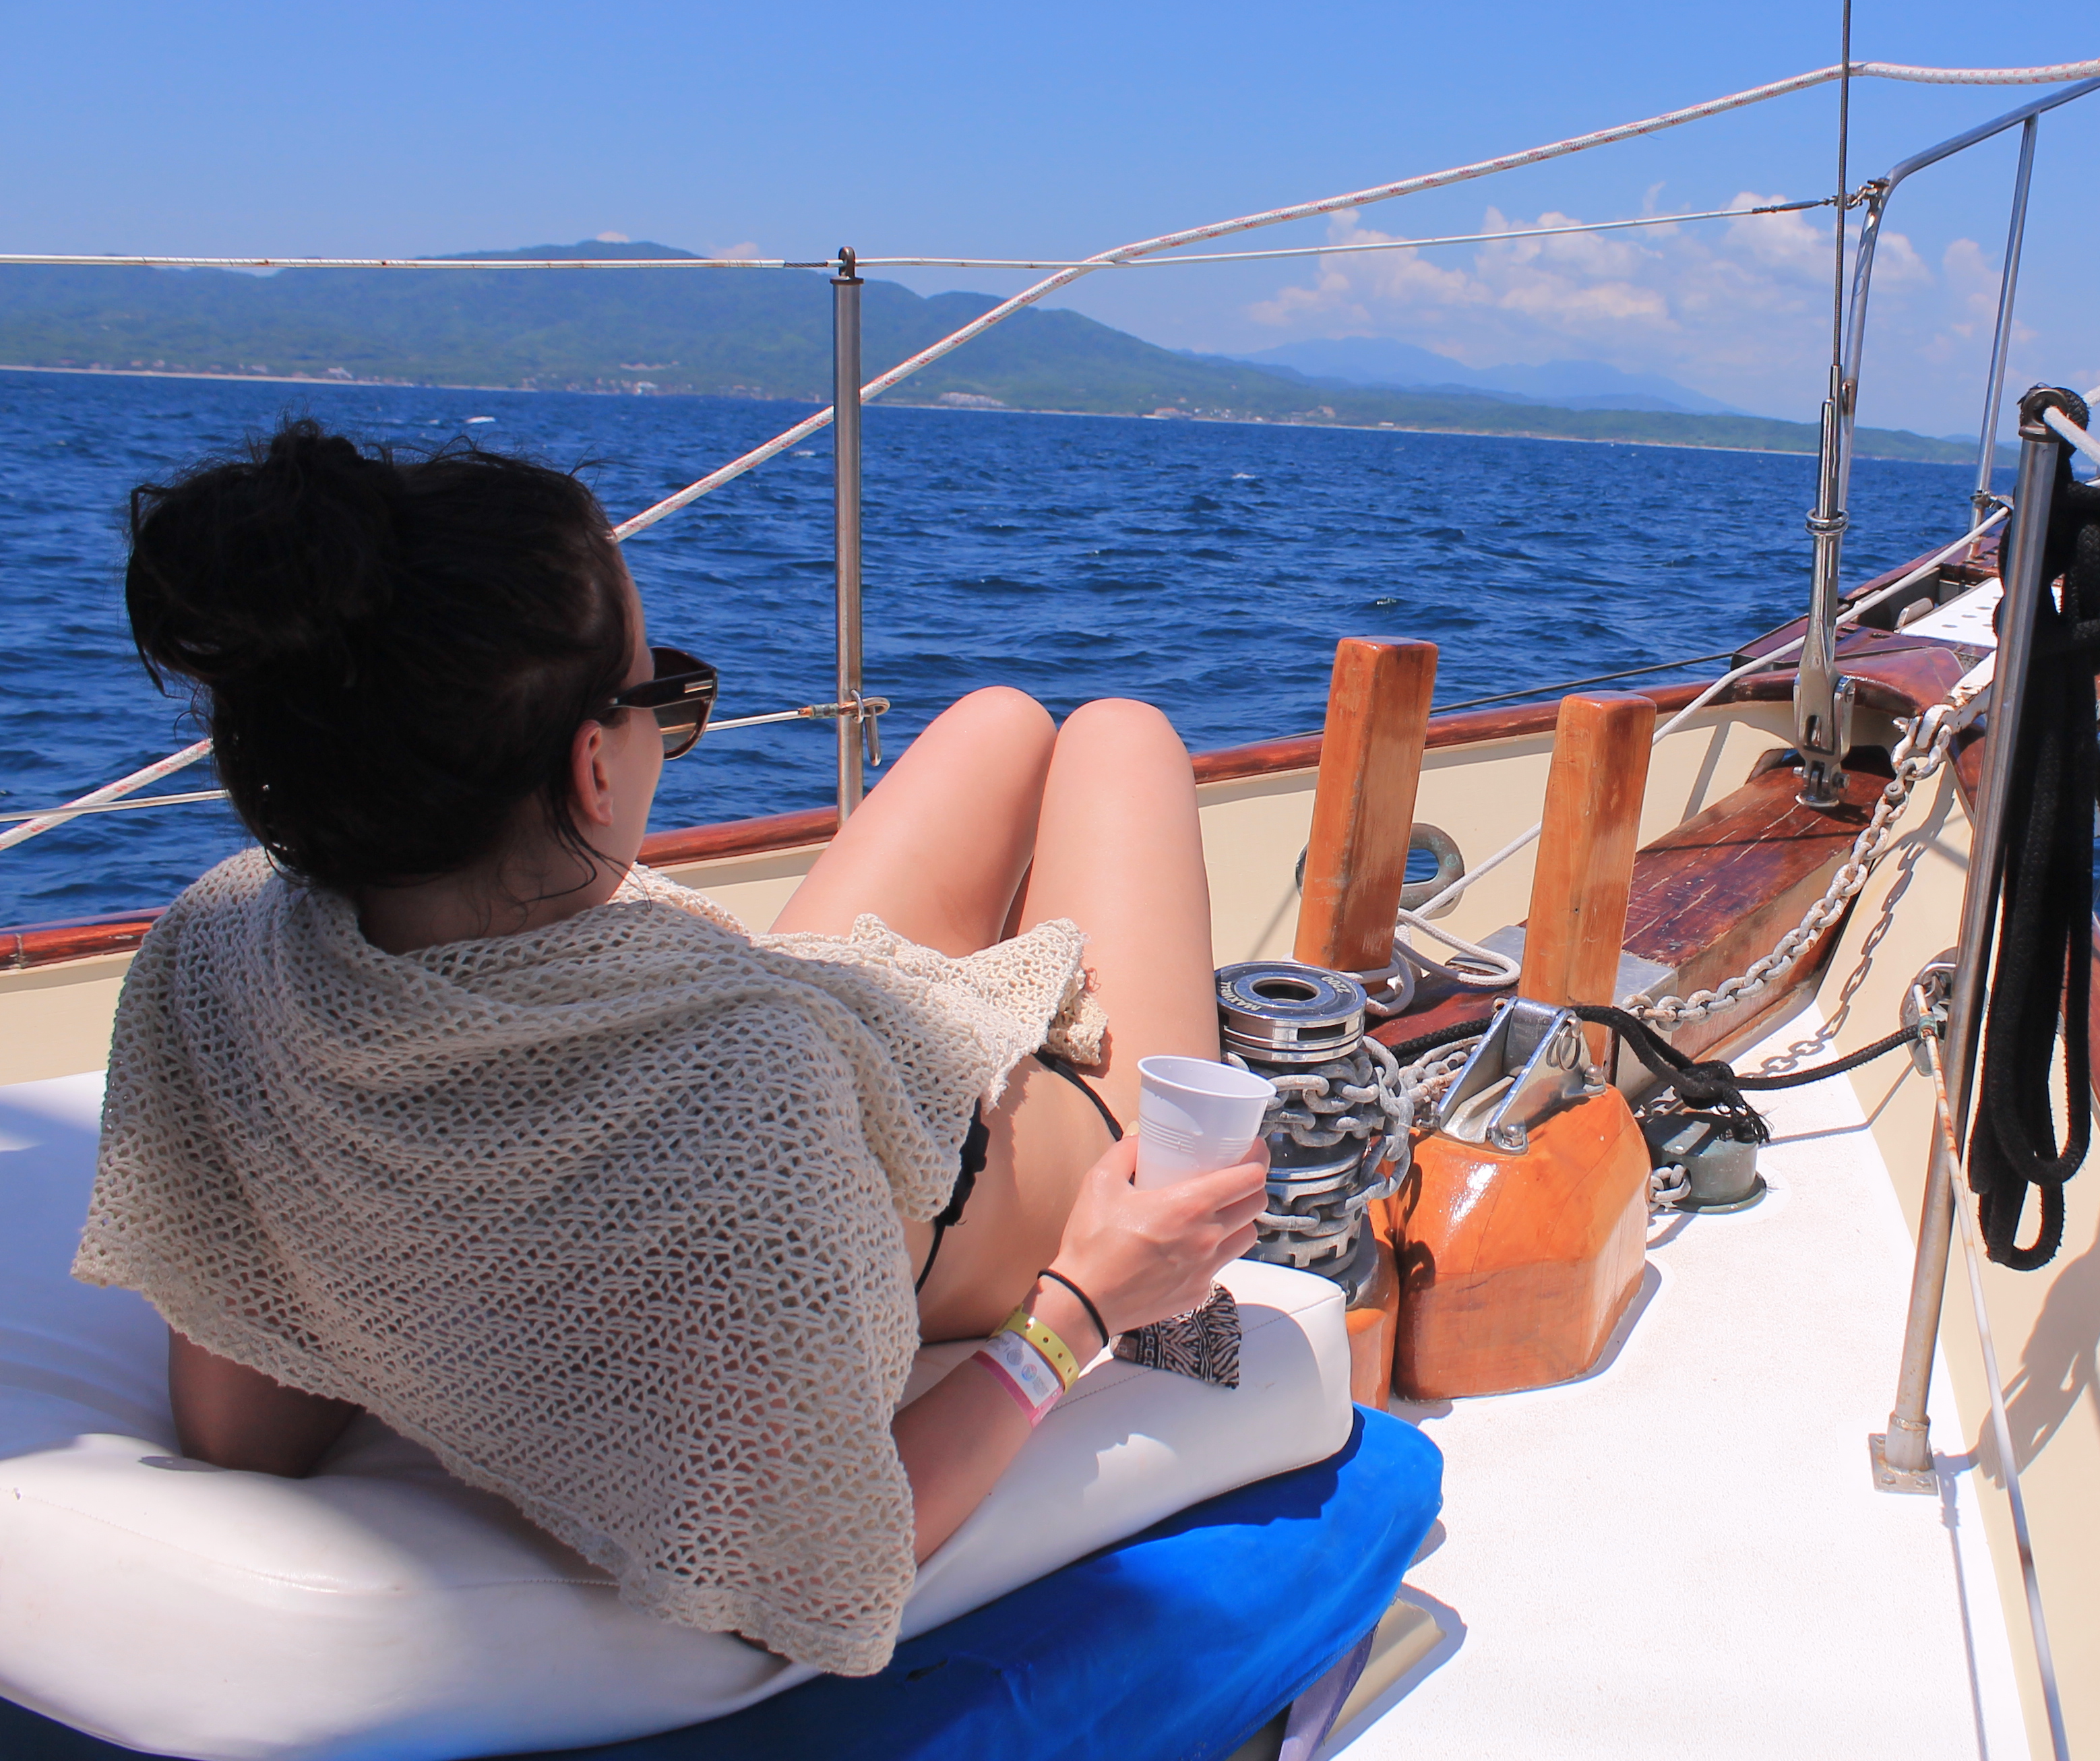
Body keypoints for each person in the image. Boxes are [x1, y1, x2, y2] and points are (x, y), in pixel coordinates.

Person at [73, 420, 1271, 1678]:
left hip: (762, 1052)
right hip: (929, 1194)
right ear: (593, 766)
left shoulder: (213, 951)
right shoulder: (739, 1095)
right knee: (1120, 732)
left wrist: (402, 1317)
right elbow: (827, 1572)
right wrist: (1083, 1309)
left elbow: (237, 1426)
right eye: (665, 693)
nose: (669, 721)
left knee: (999, 721)